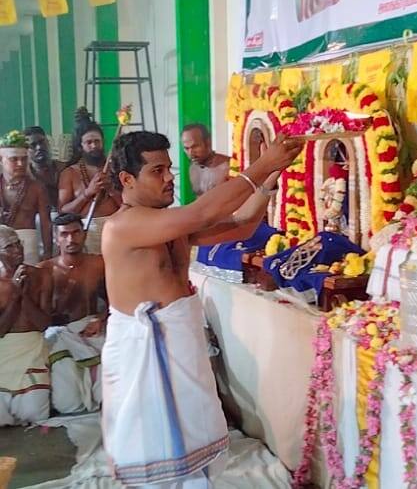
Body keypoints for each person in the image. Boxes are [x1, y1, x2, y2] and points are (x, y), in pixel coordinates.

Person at [101, 130, 302, 487]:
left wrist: (271, 177)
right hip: (146, 353)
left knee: (192, 433)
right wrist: (260, 165)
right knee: (157, 443)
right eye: (157, 171)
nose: (169, 178)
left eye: (169, 169)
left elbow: (243, 224)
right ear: (127, 180)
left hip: (179, 341)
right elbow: (202, 211)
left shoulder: (170, 225)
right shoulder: (123, 225)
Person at [40, 213, 106, 414]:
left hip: (92, 331)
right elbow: (39, 317)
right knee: (66, 404)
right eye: (64, 234)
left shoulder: (98, 264)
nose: (71, 239)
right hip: (60, 336)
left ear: (84, 234)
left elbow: (116, 298)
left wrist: (101, 320)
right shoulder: (44, 270)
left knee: (107, 395)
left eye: (76, 233)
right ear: (56, 238)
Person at [0, 225, 53, 426]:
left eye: (18, 244)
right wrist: (14, 292)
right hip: (5, 351)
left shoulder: (42, 276)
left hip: (32, 348)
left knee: (35, 414)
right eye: (9, 248)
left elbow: (43, 324)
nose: (17, 251)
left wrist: (23, 294)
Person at [58, 111, 121, 254]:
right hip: (85, 233)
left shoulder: (117, 168)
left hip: (116, 229)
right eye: (89, 142)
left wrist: (111, 189)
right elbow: (63, 212)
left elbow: (129, 204)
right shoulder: (69, 173)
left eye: (97, 141)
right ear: (80, 146)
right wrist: (88, 193)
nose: (94, 146)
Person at [0, 131, 52, 263]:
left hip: (28, 246)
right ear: (1, 159)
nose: (20, 164)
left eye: (24, 159)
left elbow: (46, 224)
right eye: (14, 159)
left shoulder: (37, 188)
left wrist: (47, 254)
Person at [24, 126, 66, 212]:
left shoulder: (65, 168)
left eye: (42, 142)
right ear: (26, 150)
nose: (39, 147)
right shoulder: (24, 176)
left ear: (48, 142)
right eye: (33, 145)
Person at [181, 123, 230, 196]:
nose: (191, 153)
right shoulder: (193, 168)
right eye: (186, 148)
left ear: (208, 142)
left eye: (195, 146)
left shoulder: (227, 167)